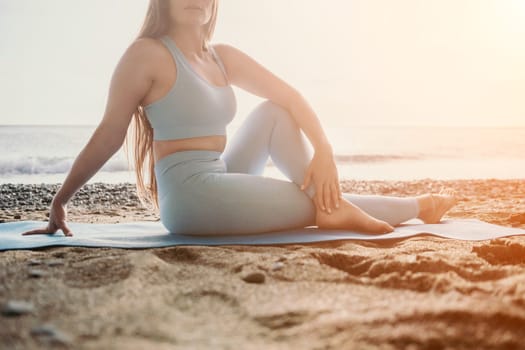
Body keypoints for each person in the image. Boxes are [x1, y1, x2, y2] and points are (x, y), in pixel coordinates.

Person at [22, 0, 456, 237]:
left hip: (223, 174)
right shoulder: (146, 55)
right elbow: (108, 134)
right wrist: (60, 201)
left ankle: (332, 199)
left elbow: (291, 95)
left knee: (274, 112)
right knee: (314, 205)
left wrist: (324, 152)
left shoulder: (221, 57)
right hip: (191, 196)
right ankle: (417, 206)